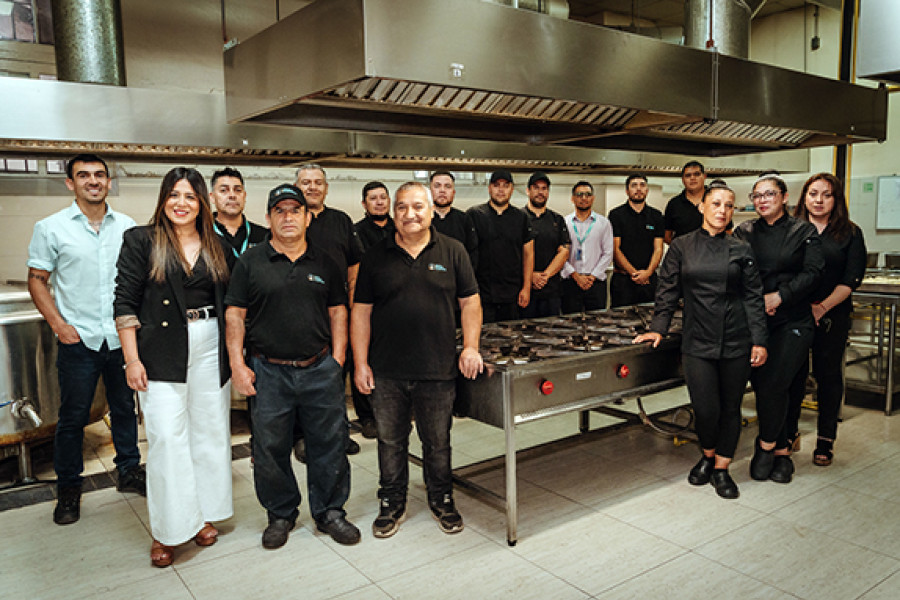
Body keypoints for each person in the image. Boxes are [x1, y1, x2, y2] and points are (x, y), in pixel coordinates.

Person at [225, 184, 360, 550]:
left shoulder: (325, 261)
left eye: (295, 210)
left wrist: (338, 360)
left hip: (319, 368)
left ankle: (330, 511)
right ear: (269, 218)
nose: (288, 217)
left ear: (307, 216)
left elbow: (338, 311)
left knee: (329, 444)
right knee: (269, 449)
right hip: (268, 372)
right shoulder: (250, 261)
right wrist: (238, 364)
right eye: (280, 211)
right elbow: (235, 315)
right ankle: (281, 514)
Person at [114, 167, 234, 567]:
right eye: (173, 195)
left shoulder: (217, 244)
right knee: (167, 438)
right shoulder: (141, 240)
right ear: (163, 199)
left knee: (209, 433)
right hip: (159, 349)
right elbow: (124, 304)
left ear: (202, 202)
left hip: (209, 343)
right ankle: (167, 531)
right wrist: (132, 359)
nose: (181, 203)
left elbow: (233, 304)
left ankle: (199, 517)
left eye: (190, 196)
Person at [351, 182, 483, 538]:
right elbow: (361, 312)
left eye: (417, 207)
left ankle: (441, 499)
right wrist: (360, 363)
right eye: (402, 207)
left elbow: (470, 302)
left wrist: (470, 346)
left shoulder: (453, 251)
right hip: (387, 370)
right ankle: (391, 502)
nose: (410, 214)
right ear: (393, 212)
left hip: (438, 368)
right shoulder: (375, 256)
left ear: (429, 210)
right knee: (390, 442)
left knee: (437, 442)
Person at [27, 153, 145, 526]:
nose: (92, 181)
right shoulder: (51, 228)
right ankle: (68, 487)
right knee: (73, 417)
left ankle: (129, 470)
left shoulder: (127, 227)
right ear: (70, 183)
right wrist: (60, 325)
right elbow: (37, 279)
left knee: (125, 409)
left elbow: (138, 282)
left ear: (109, 182)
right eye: (83, 175)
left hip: (119, 337)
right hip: (79, 341)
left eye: (99, 175)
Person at [634, 181, 768, 499]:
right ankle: (707, 455)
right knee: (705, 408)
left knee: (730, 407)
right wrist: (658, 327)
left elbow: (753, 297)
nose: (722, 210)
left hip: (736, 339)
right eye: (716, 203)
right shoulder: (681, 246)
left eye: (729, 205)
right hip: (697, 340)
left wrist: (759, 340)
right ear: (702, 206)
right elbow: (667, 290)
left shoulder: (741, 248)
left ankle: (721, 468)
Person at [734, 172, 824, 484]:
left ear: (784, 198)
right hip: (757, 322)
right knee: (766, 386)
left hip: (794, 320)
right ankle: (783, 450)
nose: (762, 200)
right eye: (756, 195)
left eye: (769, 194)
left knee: (775, 384)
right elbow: (736, 272)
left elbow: (814, 272)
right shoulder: (743, 231)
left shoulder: (804, 230)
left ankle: (767, 446)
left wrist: (780, 296)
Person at [785, 173, 866, 467]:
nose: (818, 200)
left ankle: (825, 441)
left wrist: (822, 307)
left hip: (832, 316)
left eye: (826, 195)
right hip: (793, 315)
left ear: (836, 200)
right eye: (813, 193)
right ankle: (789, 432)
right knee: (792, 376)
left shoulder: (850, 233)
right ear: (804, 197)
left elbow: (850, 280)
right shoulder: (791, 230)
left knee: (828, 377)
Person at [295, 163, 365, 457]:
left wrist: (350, 303)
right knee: (302, 379)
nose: (312, 187)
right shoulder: (290, 219)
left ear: (326, 188)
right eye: (306, 182)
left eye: (318, 182)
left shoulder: (341, 221)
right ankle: (303, 438)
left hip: (338, 314)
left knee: (336, 375)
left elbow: (355, 265)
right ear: (297, 186)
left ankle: (339, 433)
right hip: (302, 315)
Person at [351, 181, 395, 439]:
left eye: (382, 197)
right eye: (373, 198)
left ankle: (392, 411)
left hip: (394, 307)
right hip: (368, 305)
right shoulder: (357, 232)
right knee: (363, 359)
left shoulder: (399, 228)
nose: (379, 202)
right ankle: (367, 416)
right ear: (364, 203)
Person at [466, 169, 535, 322]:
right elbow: (467, 255)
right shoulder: (474, 215)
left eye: (505, 186)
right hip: (482, 292)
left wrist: (526, 288)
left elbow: (528, 254)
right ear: (489, 188)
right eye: (497, 185)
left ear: (511, 189)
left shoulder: (522, 217)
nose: (501, 190)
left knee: (512, 337)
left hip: (513, 294)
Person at [608, 174, 665, 308]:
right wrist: (634, 273)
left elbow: (658, 248)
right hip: (623, 281)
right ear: (627, 191)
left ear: (647, 190)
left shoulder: (656, 216)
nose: (638, 189)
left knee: (651, 322)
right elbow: (615, 249)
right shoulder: (616, 215)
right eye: (634, 185)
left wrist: (648, 273)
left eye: (642, 185)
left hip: (649, 280)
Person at [521, 172, 571, 318]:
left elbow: (564, 252)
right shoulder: (518, 218)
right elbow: (512, 253)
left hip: (552, 291)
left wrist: (545, 276)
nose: (540, 192)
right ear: (528, 191)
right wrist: (530, 276)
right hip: (525, 291)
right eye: (536, 188)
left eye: (544, 188)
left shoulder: (557, 219)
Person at [560, 181, 614, 313]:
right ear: (573, 198)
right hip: (570, 283)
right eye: (579, 194)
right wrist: (575, 275)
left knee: (597, 324)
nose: (584, 198)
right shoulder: (564, 222)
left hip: (595, 284)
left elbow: (608, 252)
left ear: (593, 198)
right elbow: (559, 254)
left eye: (588, 194)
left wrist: (593, 276)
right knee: (570, 324)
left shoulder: (604, 223)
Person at [210, 167, 268, 258]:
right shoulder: (201, 233)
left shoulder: (265, 237)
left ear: (244, 196)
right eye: (224, 190)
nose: (232, 195)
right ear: (212, 197)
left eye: (238, 190)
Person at [430, 170, 479, 269]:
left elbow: (473, 253)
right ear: (429, 191)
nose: (442, 190)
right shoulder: (421, 220)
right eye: (437, 186)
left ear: (453, 192)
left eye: (447, 186)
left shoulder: (464, 219)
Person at [664, 161, 707, 244]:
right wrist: (681, 250)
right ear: (683, 180)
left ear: (704, 176)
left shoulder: (715, 201)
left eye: (697, 174)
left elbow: (727, 232)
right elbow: (667, 236)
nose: (692, 178)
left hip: (713, 254)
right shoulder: (674, 204)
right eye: (688, 175)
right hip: (683, 256)